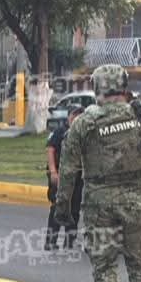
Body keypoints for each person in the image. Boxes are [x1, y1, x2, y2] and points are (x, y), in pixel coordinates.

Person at [55, 64, 141, 282]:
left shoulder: (85, 122)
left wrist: (62, 208)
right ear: (122, 86)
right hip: (137, 200)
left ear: (97, 88)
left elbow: (68, 170)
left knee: (104, 265)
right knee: (140, 265)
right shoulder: (139, 116)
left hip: (99, 203)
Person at [45, 105, 84, 250]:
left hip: (78, 177)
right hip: (60, 176)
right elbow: (50, 150)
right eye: (74, 115)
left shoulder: (83, 133)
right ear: (69, 116)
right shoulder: (60, 131)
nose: (76, 118)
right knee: (58, 208)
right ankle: (51, 241)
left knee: (74, 209)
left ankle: (69, 241)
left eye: (80, 115)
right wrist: (53, 172)